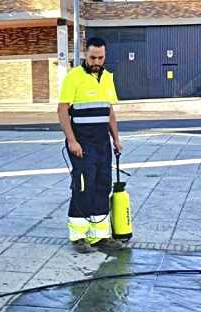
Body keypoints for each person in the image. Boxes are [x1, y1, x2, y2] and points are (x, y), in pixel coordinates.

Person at [57, 37, 125, 254]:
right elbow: (62, 110)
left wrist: (116, 138)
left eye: (101, 57)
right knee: (83, 186)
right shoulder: (73, 77)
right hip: (81, 144)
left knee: (102, 185)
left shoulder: (107, 77)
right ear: (85, 54)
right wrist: (71, 140)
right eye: (93, 57)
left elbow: (109, 112)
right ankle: (78, 236)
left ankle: (100, 236)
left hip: (102, 143)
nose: (97, 61)